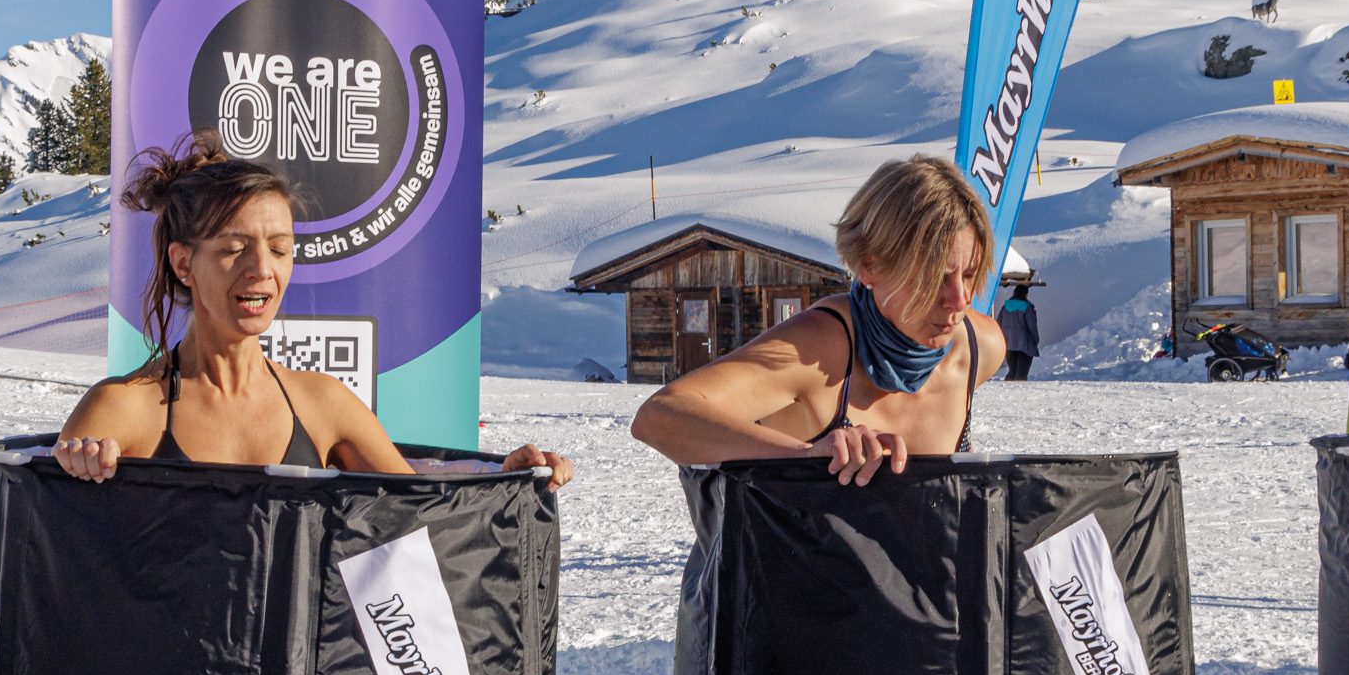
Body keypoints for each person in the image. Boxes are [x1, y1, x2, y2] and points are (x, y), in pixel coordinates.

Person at [53, 137, 571, 487]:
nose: (262, 270)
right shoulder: (123, 409)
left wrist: (501, 480)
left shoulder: (324, 403)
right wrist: (75, 471)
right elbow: (55, 575)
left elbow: (417, 503)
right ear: (183, 262)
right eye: (235, 248)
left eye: (279, 249)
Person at [631, 156, 1003, 484]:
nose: (960, 300)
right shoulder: (821, 348)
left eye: (969, 274)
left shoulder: (980, 347)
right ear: (870, 267)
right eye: (935, 276)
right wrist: (804, 457)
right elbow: (659, 417)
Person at [996, 272, 1041, 382]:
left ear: (1014, 292)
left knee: (1012, 371)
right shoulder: (1027, 307)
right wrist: (1036, 340)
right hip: (1024, 345)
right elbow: (1032, 326)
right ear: (1026, 294)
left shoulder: (1005, 306)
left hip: (1009, 343)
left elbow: (998, 323)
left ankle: (1007, 393)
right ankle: (1019, 395)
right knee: (1021, 374)